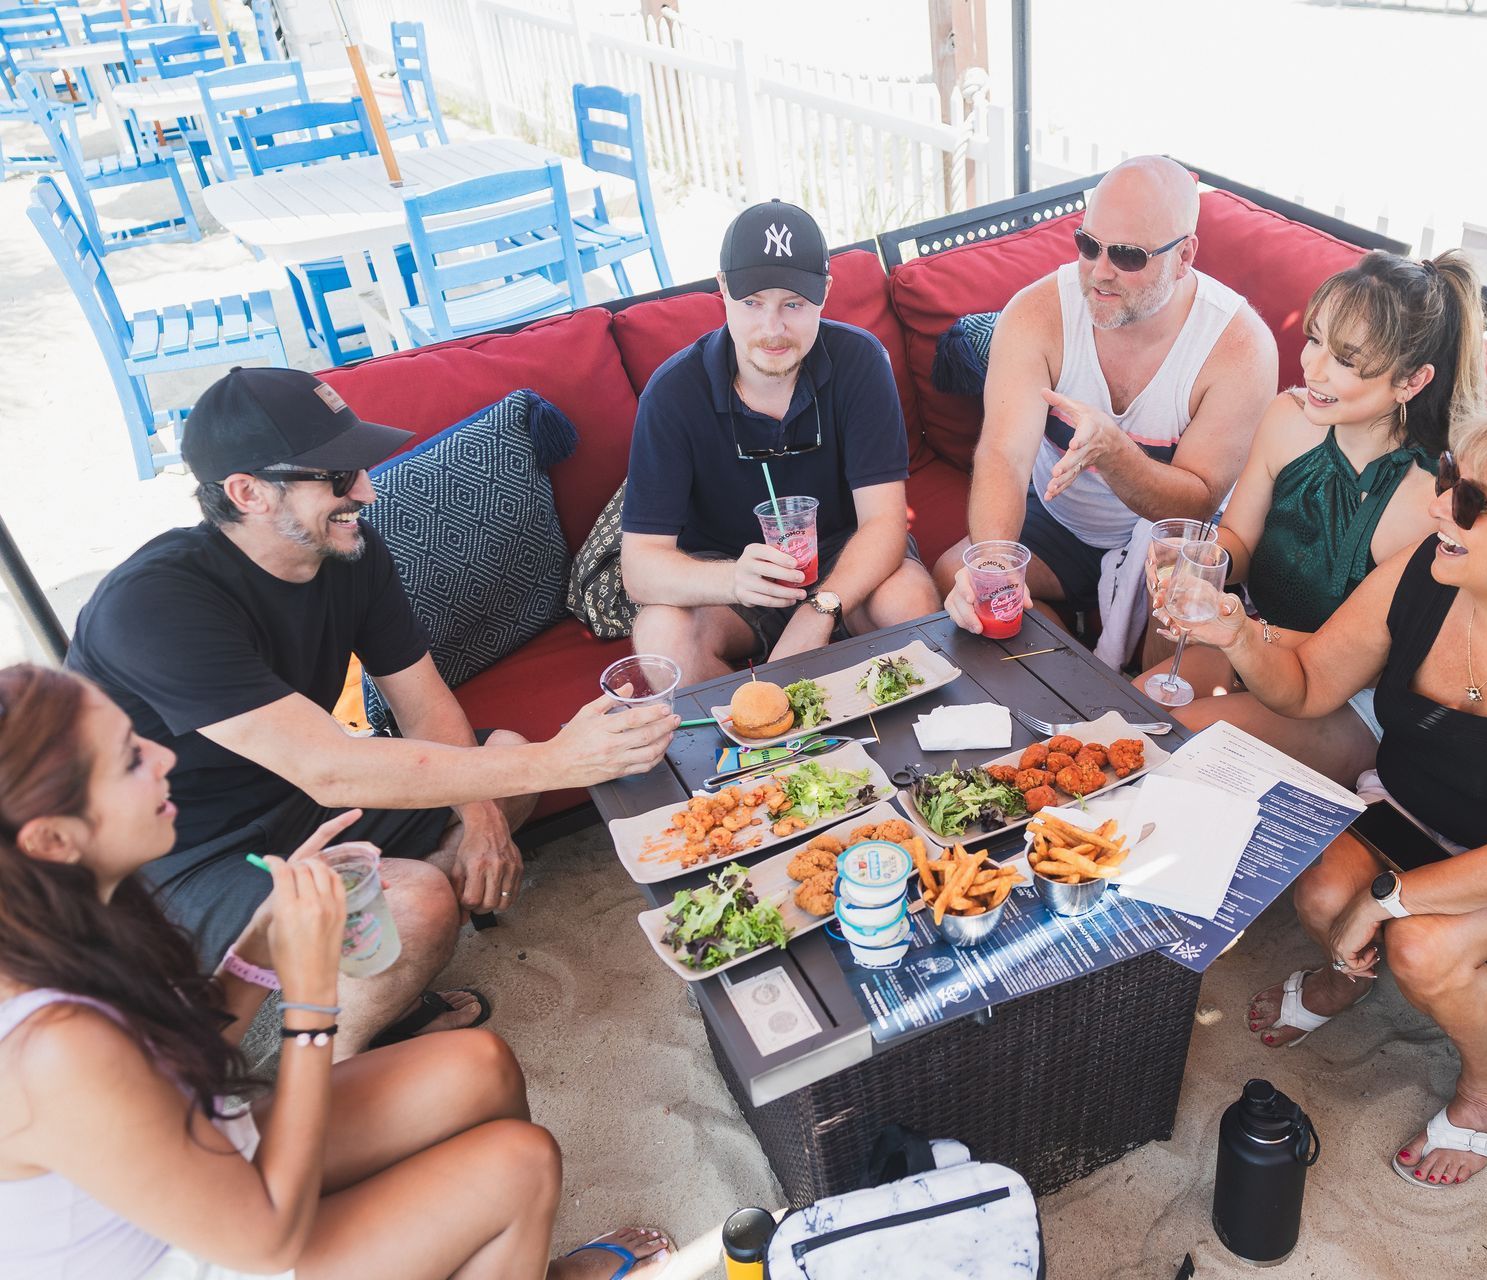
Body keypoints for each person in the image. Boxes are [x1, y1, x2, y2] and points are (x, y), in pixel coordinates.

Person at [66, 368, 677, 1056]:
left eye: (359, 468)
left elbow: (423, 705)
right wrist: (565, 755)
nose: (366, 489)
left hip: (298, 800)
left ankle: (366, 964)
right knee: (419, 905)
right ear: (248, 493)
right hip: (179, 856)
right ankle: (331, 1071)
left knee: (504, 762)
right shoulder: (157, 605)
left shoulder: (348, 550)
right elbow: (330, 770)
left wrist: (481, 823)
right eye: (336, 477)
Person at [0, 663, 674, 1280]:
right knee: (519, 1166)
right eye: (128, 760)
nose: (164, 756)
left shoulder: (69, 918)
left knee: (479, 1064)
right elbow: (264, 1241)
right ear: (52, 841)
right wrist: (312, 1002)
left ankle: (510, 1261)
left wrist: (258, 951)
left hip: (205, 1165)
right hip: (217, 1249)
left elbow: (176, 1065)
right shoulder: (53, 1047)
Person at [1180, 387, 1487, 1187]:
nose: (1441, 503)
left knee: (1422, 943)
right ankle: (1343, 978)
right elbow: (1310, 683)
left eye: (1473, 500)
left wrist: (1390, 897)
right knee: (1318, 888)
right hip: (1418, 803)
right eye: (1452, 474)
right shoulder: (1430, 568)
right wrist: (1239, 632)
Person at [1135, 249, 1486, 782]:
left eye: (1345, 359)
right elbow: (1241, 541)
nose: (1312, 367)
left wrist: (1240, 633)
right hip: (1255, 639)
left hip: (1349, 698)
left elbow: (1360, 666)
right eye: (1315, 338)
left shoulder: (1432, 501)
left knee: (1177, 754)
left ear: (1411, 382)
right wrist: (1205, 563)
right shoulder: (1287, 419)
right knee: (1130, 722)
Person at [934, 155, 1277, 628]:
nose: (1099, 272)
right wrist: (995, 571)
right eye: (1089, 245)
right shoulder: (1038, 313)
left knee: (1184, 629)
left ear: (1184, 257)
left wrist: (1115, 454)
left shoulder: (1240, 347)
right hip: (1063, 523)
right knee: (963, 576)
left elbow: (1194, 502)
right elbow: (1003, 455)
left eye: (1129, 255)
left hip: (1170, 543)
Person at [620, 200, 941, 684]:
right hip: (729, 572)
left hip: (843, 555)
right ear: (723, 288)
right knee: (662, 635)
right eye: (753, 303)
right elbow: (640, 567)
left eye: (793, 304)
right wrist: (733, 578)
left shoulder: (860, 361)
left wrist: (818, 612)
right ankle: (751, 747)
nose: (773, 329)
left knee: (909, 600)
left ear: (825, 295)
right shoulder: (672, 392)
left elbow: (884, 523)